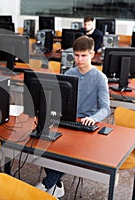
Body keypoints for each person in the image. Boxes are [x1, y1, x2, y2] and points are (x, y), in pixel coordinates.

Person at [35, 36, 110, 198]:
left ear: (92, 54)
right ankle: (57, 183)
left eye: (83, 55)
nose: (79, 59)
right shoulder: (69, 73)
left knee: (68, 151)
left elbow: (105, 108)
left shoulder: (100, 78)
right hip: (67, 121)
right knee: (46, 144)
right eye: (76, 55)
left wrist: (94, 118)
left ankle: (47, 184)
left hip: (86, 125)